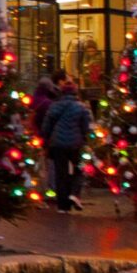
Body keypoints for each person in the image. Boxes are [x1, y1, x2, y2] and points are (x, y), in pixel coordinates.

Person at [43, 78, 93, 213]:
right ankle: (74, 193)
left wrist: (46, 139)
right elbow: (86, 126)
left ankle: (62, 206)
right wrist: (85, 138)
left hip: (58, 143)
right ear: (75, 92)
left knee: (61, 173)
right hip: (75, 143)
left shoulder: (55, 106)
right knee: (79, 169)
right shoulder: (81, 107)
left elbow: (47, 125)